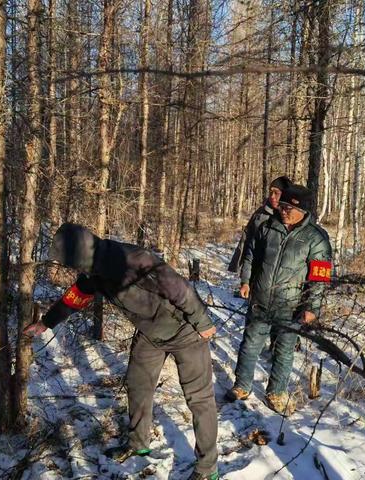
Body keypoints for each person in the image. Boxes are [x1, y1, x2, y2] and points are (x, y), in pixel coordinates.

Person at [25, 223, 219, 480]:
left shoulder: (133, 259)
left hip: (186, 332)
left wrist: (202, 322)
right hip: (150, 334)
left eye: (71, 261)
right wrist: (46, 322)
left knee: (199, 399)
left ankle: (207, 468)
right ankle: (138, 443)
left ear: (82, 252)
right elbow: (76, 297)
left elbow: (179, 288)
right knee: (137, 385)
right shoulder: (93, 271)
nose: (72, 268)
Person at [226, 185, 332, 415]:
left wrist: (312, 307)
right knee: (250, 345)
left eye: (289, 208)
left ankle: (276, 392)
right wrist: (245, 281)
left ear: (302, 210)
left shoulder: (316, 238)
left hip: (291, 306)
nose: (283, 211)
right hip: (261, 300)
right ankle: (242, 385)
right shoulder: (268, 227)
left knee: (283, 351)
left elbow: (320, 277)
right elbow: (251, 255)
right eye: (282, 206)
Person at [228, 176, 292, 274]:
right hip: (257, 270)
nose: (272, 196)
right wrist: (236, 265)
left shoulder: (294, 217)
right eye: (270, 192)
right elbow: (246, 238)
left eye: (277, 193)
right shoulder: (261, 214)